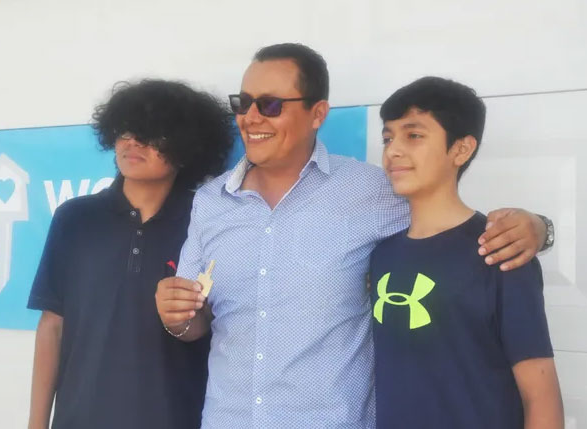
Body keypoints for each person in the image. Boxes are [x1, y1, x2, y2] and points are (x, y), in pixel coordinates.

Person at [155, 43, 552, 428]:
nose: (251, 117)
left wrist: (539, 228)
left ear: (317, 113)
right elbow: (195, 321)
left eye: (270, 104)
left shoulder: (373, 190)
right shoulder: (210, 202)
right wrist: (177, 317)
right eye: (243, 103)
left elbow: (446, 219)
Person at [27, 79, 233, 429]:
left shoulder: (209, 223)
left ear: (188, 147)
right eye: (125, 130)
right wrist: (36, 424)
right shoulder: (74, 219)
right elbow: (52, 327)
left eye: (153, 134)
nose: (133, 142)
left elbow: (224, 325)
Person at [369, 76, 563, 428]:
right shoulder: (381, 255)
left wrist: (540, 227)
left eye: (414, 135)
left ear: (461, 149)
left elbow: (541, 397)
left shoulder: (500, 251)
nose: (393, 150)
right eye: (388, 138)